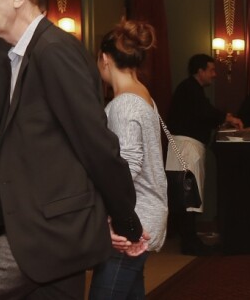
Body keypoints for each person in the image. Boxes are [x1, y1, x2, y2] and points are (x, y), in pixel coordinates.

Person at [0, 0, 145, 299]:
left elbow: (95, 144)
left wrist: (125, 219)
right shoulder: (12, 56)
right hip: (31, 227)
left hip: (49, 234)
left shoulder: (55, 51)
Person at [89, 19, 168, 299]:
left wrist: (112, 221)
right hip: (145, 213)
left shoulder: (124, 104)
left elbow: (126, 169)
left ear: (104, 58)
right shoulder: (143, 95)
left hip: (133, 221)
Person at [167, 53, 243, 255]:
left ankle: (190, 240)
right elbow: (205, 113)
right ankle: (190, 243)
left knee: (188, 195)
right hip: (186, 147)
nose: (214, 74)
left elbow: (204, 111)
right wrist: (227, 118)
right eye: (211, 70)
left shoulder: (191, 89)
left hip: (185, 146)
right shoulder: (190, 89)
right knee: (188, 195)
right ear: (200, 71)